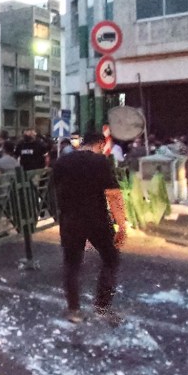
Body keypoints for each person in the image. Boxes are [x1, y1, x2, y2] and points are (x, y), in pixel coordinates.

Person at [51, 132, 128, 325]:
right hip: (97, 220)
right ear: (100, 144)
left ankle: (74, 310)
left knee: (72, 264)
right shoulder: (100, 162)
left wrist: (61, 213)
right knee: (111, 259)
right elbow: (114, 194)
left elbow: (52, 191)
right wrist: (121, 225)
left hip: (70, 220)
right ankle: (102, 307)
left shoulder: (62, 161)